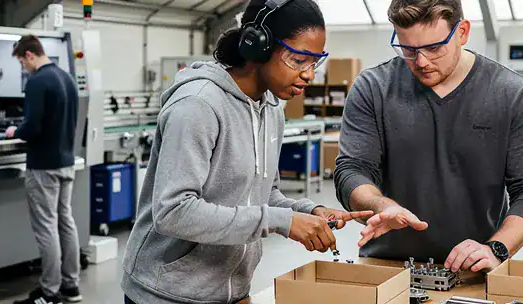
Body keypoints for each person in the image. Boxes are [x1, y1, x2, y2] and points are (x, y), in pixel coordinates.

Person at [122, 0, 371, 303]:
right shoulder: (198, 105)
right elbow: (173, 212)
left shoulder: (272, 109)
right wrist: (282, 221)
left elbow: (264, 194)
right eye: (298, 59)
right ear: (258, 48)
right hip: (166, 294)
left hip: (231, 292)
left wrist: (309, 212)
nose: (309, 75)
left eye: (315, 62)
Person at [334, 0, 523, 274]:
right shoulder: (373, 88)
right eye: (408, 50)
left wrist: (495, 248)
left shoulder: (512, 95)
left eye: (434, 48)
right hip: (386, 269)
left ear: (462, 32)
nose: (421, 62)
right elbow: (351, 170)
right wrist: (381, 205)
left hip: (474, 272)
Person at [2, 35, 83, 304]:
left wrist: (16, 131)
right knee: (65, 222)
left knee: (47, 227)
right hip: (66, 161)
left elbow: (32, 126)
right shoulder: (68, 78)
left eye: (22, 62)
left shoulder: (37, 81)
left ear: (29, 55)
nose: (24, 68)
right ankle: (71, 286)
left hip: (43, 167)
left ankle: (49, 292)